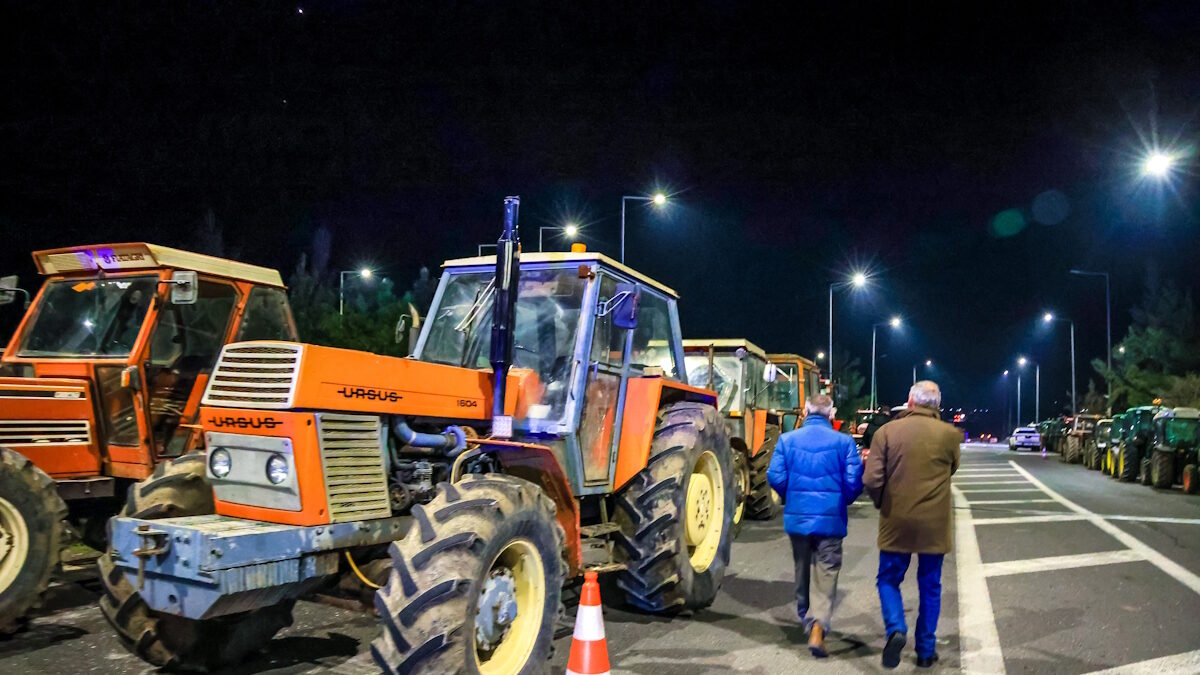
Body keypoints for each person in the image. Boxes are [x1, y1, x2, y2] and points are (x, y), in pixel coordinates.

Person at [864, 380, 961, 669]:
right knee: (930, 586)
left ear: (910, 402)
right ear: (937, 406)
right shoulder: (950, 435)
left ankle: (896, 628)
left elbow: (871, 479)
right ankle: (925, 651)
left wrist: (883, 502)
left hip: (897, 520)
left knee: (889, 579)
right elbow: (952, 468)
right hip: (935, 524)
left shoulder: (886, 432)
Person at [768, 394, 863, 658]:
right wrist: (843, 499)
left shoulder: (787, 440)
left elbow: (775, 475)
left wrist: (793, 495)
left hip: (798, 518)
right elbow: (855, 479)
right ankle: (818, 625)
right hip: (830, 518)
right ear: (831, 414)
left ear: (806, 411)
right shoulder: (843, 442)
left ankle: (805, 616)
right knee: (827, 571)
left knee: (802, 569)